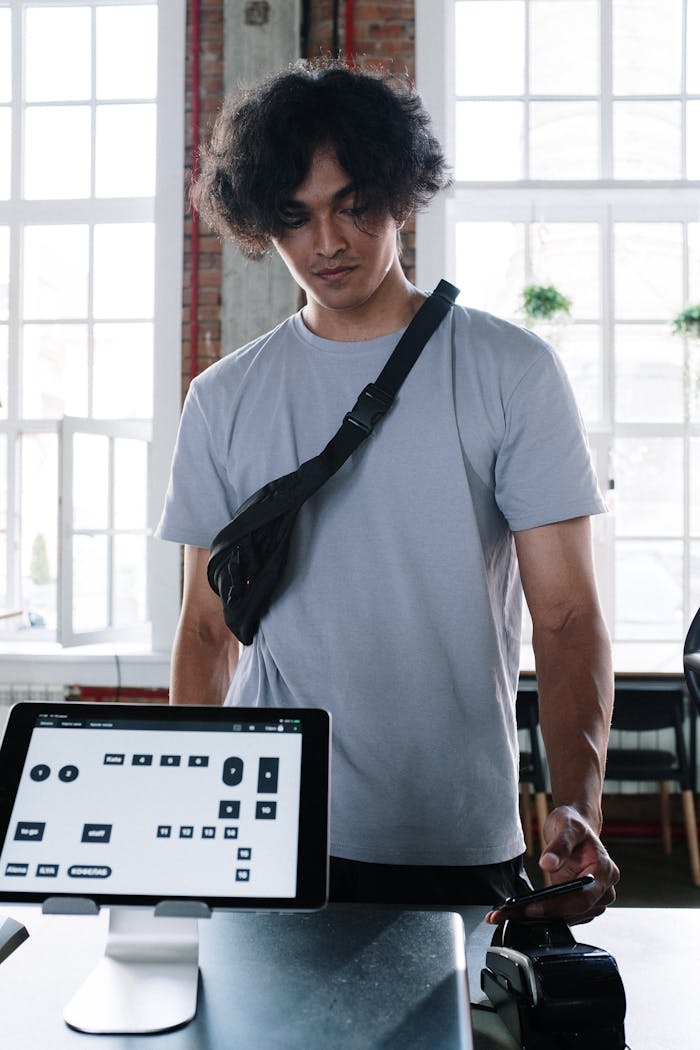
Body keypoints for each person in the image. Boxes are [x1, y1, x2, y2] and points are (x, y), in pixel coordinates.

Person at [157, 60, 619, 921]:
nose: (326, 242)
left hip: (452, 831)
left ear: (401, 194)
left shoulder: (510, 370)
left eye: (352, 204)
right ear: (264, 224)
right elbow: (204, 628)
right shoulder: (222, 397)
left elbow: (564, 618)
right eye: (295, 217)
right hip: (268, 830)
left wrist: (577, 803)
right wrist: (194, 818)